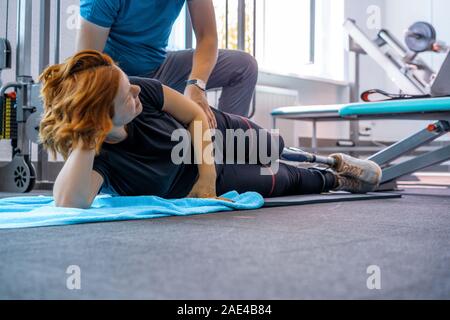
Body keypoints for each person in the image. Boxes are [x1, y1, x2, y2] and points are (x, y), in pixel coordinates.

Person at [39, 51, 382, 209]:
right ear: (102, 121)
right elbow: (68, 203)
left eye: (130, 84)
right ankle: (337, 180)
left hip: (212, 134)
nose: (136, 91)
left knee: (270, 147)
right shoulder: (99, 157)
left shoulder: (143, 90)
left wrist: (205, 177)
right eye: (125, 96)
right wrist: (87, 137)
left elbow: (195, 116)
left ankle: (328, 160)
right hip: (205, 179)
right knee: (287, 181)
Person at [76, 0, 258, 128]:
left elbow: (207, 37)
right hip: (120, 79)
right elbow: (87, 67)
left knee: (243, 66)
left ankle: (223, 157)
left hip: (160, 68)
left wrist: (196, 86)